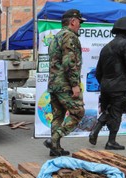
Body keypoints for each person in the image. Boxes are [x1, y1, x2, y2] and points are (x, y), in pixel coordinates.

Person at [89, 17, 126, 150]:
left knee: (108, 109)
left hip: (105, 86)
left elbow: (98, 71)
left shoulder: (106, 47)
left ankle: (96, 129)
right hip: (119, 87)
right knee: (116, 113)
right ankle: (111, 141)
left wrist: (105, 84)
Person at [44, 9, 86, 157]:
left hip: (54, 84)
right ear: (73, 21)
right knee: (78, 112)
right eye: (79, 22)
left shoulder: (56, 37)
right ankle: (54, 139)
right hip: (65, 85)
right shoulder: (69, 36)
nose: (80, 25)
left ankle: (55, 148)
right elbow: (69, 62)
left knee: (58, 116)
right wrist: (75, 84)